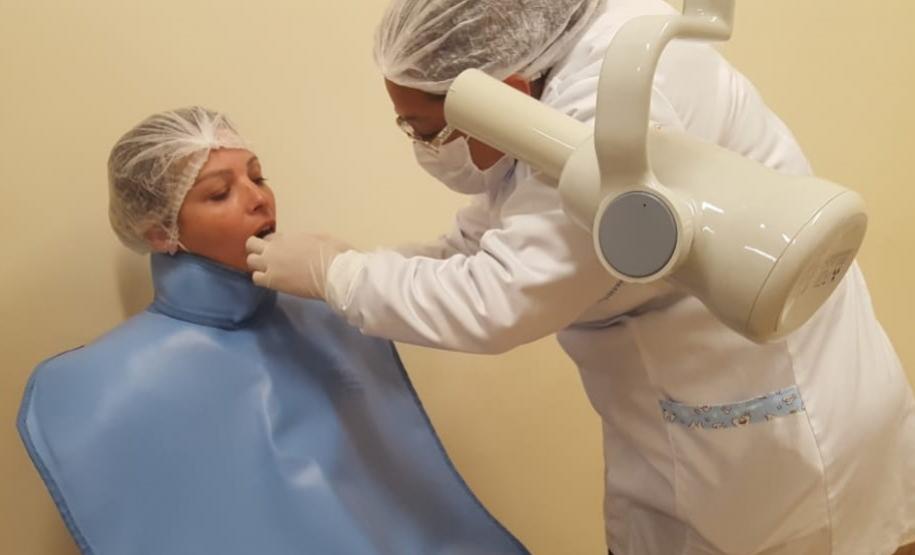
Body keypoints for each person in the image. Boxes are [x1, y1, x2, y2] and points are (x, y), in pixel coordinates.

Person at [245, 1, 915, 554]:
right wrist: (363, 264)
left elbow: (499, 299)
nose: (423, 150)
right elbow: (502, 225)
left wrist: (341, 277)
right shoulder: (562, 61)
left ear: (503, 95)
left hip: (767, 434)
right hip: (733, 404)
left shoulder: (612, 114)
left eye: (426, 132)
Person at [17, 107, 529, 555]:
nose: (259, 199)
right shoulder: (100, 390)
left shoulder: (328, 310)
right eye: (219, 193)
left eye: (258, 177)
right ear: (159, 231)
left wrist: (340, 276)